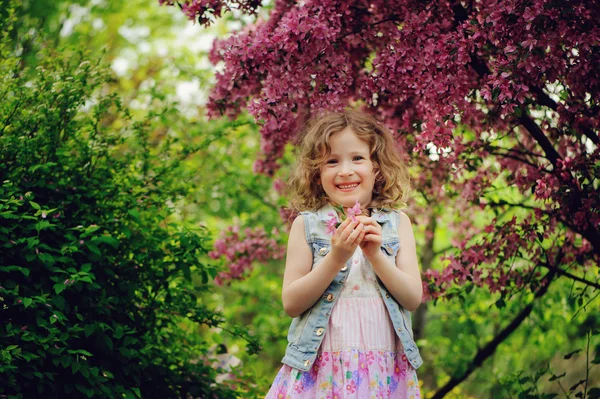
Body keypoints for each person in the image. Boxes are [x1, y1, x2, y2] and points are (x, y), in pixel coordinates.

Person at [266, 109, 423, 399]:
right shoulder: (307, 224)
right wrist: (336, 258)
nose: (345, 170)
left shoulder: (397, 223)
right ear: (317, 172)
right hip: (322, 370)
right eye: (332, 161)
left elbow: (412, 298)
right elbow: (291, 303)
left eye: (357, 158)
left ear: (376, 167)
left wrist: (376, 255)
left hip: (383, 372)